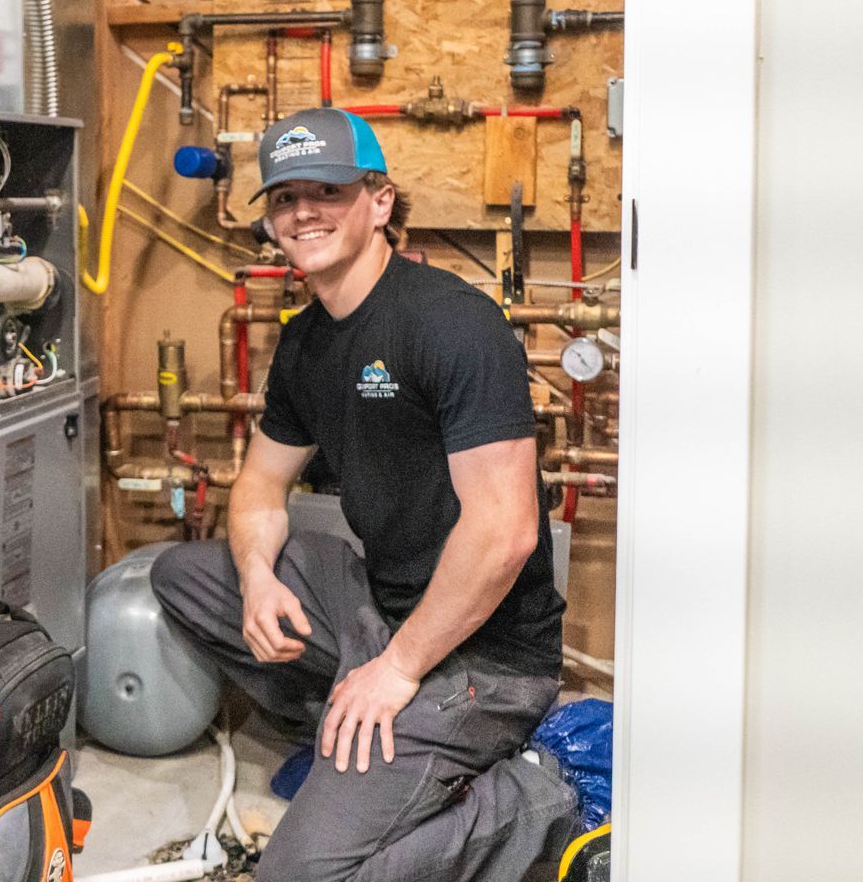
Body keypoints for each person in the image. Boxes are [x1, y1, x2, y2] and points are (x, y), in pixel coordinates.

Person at [150, 108, 576, 882]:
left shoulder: (452, 324)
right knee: (182, 577)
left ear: (379, 201)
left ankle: (529, 801)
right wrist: (254, 581)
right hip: (386, 607)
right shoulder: (307, 341)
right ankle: (353, 727)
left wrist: (399, 671)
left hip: (485, 655)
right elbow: (260, 485)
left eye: (328, 190)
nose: (303, 211)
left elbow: (507, 530)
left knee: (299, 874)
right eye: (284, 197)